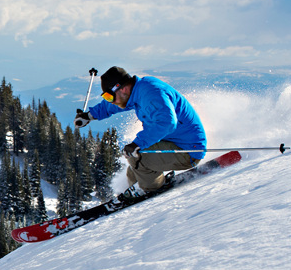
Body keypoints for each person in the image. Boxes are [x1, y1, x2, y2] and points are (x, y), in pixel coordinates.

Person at [74, 66, 207, 194]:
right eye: (106, 98)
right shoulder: (137, 92)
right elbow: (112, 107)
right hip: (175, 142)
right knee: (134, 166)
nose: (111, 101)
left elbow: (167, 123)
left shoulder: (151, 94)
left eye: (110, 97)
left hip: (188, 151)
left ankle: (150, 190)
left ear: (122, 89)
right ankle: (133, 191)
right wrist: (89, 116)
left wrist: (137, 143)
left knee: (139, 158)